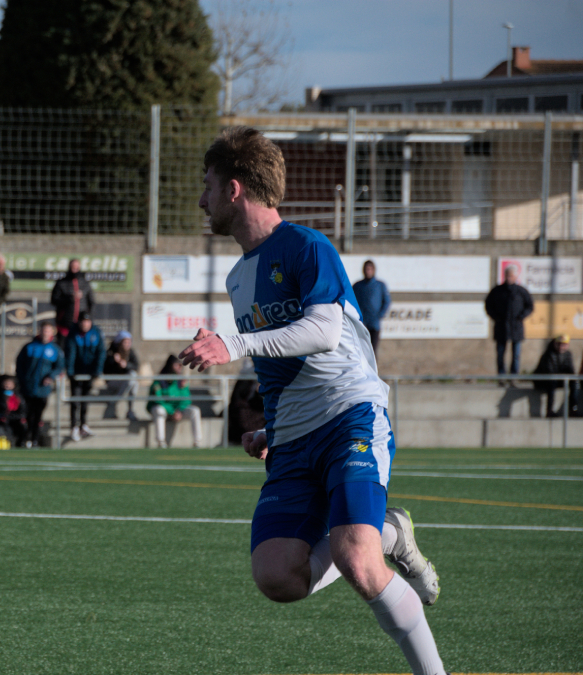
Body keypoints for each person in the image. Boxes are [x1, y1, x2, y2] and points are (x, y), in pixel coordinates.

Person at [181, 127, 445, 675]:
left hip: (350, 414)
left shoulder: (307, 246)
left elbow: (322, 332)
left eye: (207, 186)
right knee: (277, 578)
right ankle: (389, 530)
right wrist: (272, 431)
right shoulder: (238, 278)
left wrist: (233, 343)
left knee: (358, 561)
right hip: (294, 439)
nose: (201, 200)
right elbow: (282, 367)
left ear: (234, 189)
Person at [15, 322, 63, 448]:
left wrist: (50, 377)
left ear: (52, 333)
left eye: (48, 331)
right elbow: (20, 365)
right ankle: (25, 439)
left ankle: (35, 439)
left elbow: (60, 367)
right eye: (43, 331)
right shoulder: (29, 347)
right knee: (27, 415)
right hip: (28, 387)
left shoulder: (55, 350)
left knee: (37, 416)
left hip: (43, 390)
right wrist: (22, 380)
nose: (45, 333)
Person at [485, 265, 534, 377]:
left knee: (516, 355)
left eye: (511, 276)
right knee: (500, 354)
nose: (509, 278)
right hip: (501, 327)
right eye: (507, 275)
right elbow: (488, 305)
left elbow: (530, 306)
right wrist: (496, 317)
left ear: (516, 277)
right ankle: (501, 377)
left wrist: (521, 316)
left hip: (516, 328)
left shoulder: (521, 291)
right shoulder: (497, 291)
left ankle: (513, 377)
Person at [64, 311, 104, 441]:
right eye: (82, 321)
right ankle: (74, 427)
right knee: (75, 400)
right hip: (76, 372)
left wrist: (97, 370)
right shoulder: (74, 333)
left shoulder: (96, 333)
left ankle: (83, 425)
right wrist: (70, 371)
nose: (85, 324)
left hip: (89, 372)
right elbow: (70, 353)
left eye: (87, 321)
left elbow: (100, 352)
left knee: (85, 400)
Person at [147, 355, 202, 448]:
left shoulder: (181, 381)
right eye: (177, 365)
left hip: (178, 411)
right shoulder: (160, 381)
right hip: (165, 410)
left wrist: (179, 411)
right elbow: (158, 400)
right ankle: (161, 441)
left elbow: (186, 399)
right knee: (158, 410)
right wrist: (172, 412)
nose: (179, 368)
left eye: (180, 365)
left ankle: (197, 441)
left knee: (195, 411)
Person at [352, 260, 390, 358]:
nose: (368, 271)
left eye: (370, 269)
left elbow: (386, 302)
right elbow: (351, 303)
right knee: (361, 351)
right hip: (361, 324)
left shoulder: (380, 286)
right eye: (366, 269)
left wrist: (379, 315)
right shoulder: (357, 286)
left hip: (374, 325)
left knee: (372, 351)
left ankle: (373, 372)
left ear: (373, 270)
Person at [51, 258, 95, 338]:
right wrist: (70, 298)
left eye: (76, 268)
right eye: (72, 268)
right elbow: (54, 300)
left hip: (81, 325)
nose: (74, 270)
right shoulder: (61, 283)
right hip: (65, 324)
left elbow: (91, 302)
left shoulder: (85, 284)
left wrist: (87, 318)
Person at [533, 335, 575, 417]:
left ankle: (573, 409)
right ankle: (549, 410)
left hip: (558, 379)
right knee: (552, 383)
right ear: (555, 344)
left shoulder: (568, 354)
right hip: (543, 381)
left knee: (574, 383)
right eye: (559, 344)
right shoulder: (549, 354)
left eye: (564, 344)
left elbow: (571, 371)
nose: (561, 347)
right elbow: (549, 371)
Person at [102, 331, 140, 421]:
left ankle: (117, 403)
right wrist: (115, 362)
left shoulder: (131, 352)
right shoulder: (111, 352)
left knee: (133, 381)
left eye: (129, 342)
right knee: (132, 381)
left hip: (126, 381)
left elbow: (136, 366)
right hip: (113, 381)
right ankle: (121, 405)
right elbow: (106, 369)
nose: (127, 344)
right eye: (125, 342)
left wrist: (126, 365)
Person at [227, 358, 265, 445]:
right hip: (243, 408)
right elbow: (238, 398)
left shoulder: (260, 381)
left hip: (257, 409)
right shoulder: (244, 380)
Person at [0, 375, 27, 445]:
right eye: (6, 383)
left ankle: (21, 443)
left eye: (9, 383)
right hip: (2, 418)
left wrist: (18, 417)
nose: (7, 385)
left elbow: (22, 410)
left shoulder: (18, 396)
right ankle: (9, 443)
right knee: (5, 425)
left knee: (22, 425)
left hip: (15, 417)